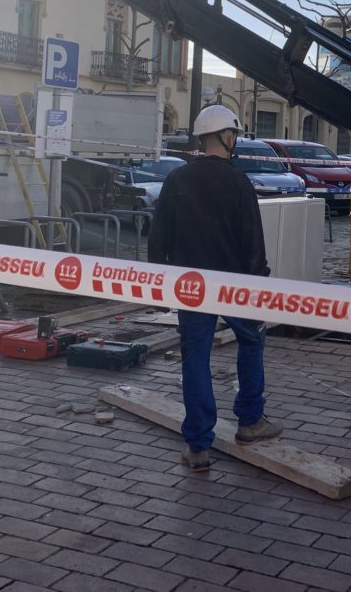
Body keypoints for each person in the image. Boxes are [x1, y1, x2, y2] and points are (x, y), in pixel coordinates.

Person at [148, 105, 281, 471]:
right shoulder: (238, 182)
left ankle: (198, 447)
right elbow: (254, 242)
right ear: (227, 137)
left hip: (190, 287)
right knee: (251, 342)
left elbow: (157, 238)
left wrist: (161, 280)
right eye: (234, 135)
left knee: (195, 358)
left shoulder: (177, 180)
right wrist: (258, 285)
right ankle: (250, 421)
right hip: (234, 284)